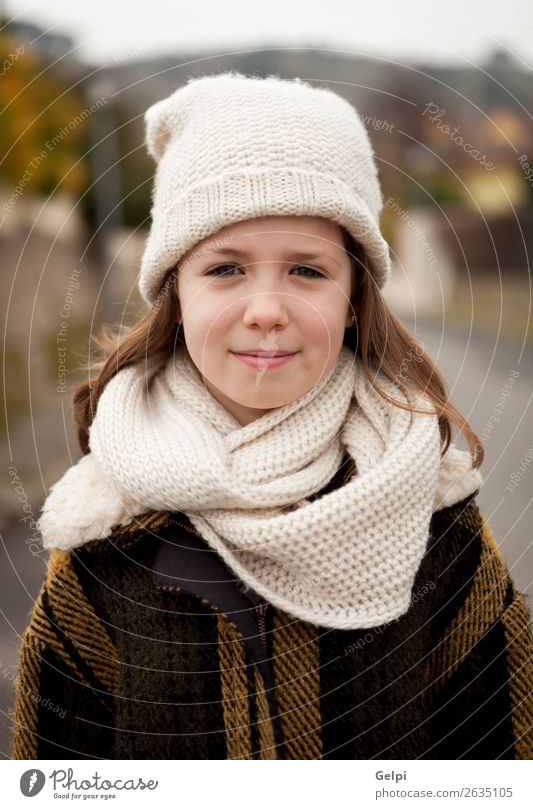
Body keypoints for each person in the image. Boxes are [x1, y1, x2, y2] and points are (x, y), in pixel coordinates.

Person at [10, 71, 533, 760]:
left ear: (353, 299)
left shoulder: (431, 513)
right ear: (176, 292)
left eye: (306, 271)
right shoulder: (106, 533)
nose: (265, 308)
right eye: (225, 268)